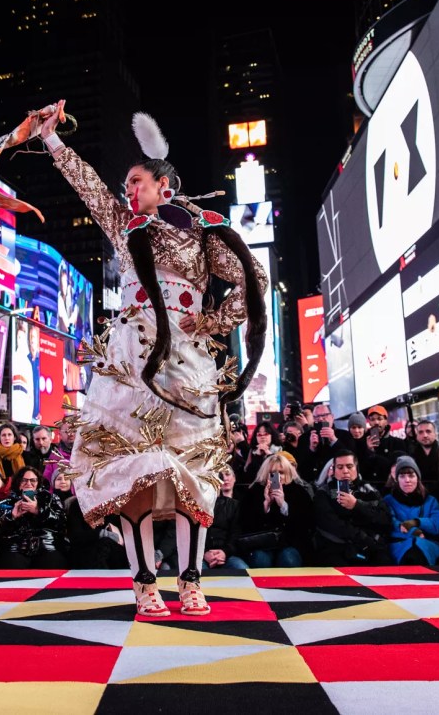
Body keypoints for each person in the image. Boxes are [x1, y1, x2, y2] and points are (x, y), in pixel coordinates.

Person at [37, 102, 267, 618]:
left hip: (188, 364)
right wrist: (52, 139)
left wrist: (207, 324)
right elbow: (87, 184)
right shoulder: (123, 224)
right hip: (130, 357)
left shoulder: (203, 236)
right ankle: (144, 582)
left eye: (136, 180)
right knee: (131, 471)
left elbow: (256, 283)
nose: (127, 189)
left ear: (165, 186)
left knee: (193, 473)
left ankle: (189, 581)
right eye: (126, 183)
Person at [236, 452, 314, 568]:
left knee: (289, 559)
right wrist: (265, 506)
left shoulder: (299, 492)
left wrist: (283, 505)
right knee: (260, 560)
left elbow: (307, 524)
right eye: (272, 473)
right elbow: (245, 524)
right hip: (261, 544)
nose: (278, 477)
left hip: (290, 543)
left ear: (288, 473)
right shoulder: (254, 492)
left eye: (281, 473)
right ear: (265, 474)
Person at [313, 450, 391, 566]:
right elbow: (331, 524)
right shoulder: (324, 493)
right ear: (333, 470)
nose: (345, 471)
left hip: (370, 547)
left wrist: (357, 505)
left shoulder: (370, 490)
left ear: (356, 468)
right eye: (340, 467)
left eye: (349, 466)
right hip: (337, 548)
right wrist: (362, 537)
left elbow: (384, 519)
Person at [0, 467, 68, 570]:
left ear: (38, 482)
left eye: (33, 480)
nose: (28, 483)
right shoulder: (5, 503)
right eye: (24, 480)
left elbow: (62, 523)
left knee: (52, 562)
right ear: (18, 482)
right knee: (10, 563)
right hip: (14, 549)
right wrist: (11, 517)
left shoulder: (51, 499)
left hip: (47, 546)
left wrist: (39, 511)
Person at [383, 456, 439, 566]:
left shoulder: (430, 500)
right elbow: (390, 522)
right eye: (402, 476)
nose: (407, 480)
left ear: (417, 478)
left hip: (427, 543)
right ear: (397, 479)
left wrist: (417, 522)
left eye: (411, 475)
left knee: (418, 551)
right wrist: (413, 531)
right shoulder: (388, 500)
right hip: (398, 544)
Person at [203, 466, 247, 570]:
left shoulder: (235, 505)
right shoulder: (198, 505)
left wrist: (224, 552)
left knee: (242, 568)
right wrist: (205, 553)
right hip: (203, 555)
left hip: (228, 554)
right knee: (197, 574)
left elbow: (236, 534)